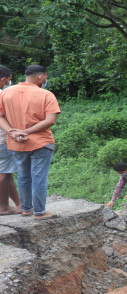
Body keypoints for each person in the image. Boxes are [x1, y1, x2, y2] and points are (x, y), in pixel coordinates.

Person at [0, 65, 60, 220]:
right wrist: (27, 131)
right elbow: (50, 120)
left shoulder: (6, 93)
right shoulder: (46, 95)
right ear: (41, 76)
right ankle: (39, 212)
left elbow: (0, 116)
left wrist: (13, 132)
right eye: (45, 77)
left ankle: (26, 209)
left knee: (23, 176)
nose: (45, 80)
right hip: (41, 143)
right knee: (39, 177)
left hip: (16, 143)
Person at [0, 66, 21, 216]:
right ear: (3, 80)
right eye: (9, 79)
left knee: (8, 172)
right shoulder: (2, 95)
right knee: (3, 173)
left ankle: (19, 203)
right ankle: (3, 207)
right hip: (2, 139)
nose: (9, 82)